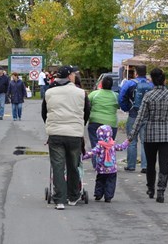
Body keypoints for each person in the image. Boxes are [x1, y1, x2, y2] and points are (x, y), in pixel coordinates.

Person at [41, 65, 91, 210]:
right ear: (69, 76)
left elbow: (44, 113)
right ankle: (73, 196)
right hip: (74, 134)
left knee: (57, 166)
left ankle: (59, 200)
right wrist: (80, 125)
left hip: (55, 134)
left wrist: (51, 125)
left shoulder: (49, 93)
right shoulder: (81, 93)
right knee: (73, 165)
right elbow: (86, 112)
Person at [128, 68, 168, 203]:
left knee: (150, 163)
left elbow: (140, 117)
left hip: (150, 133)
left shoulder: (148, 96)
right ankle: (161, 190)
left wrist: (132, 134)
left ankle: (150, 188)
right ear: (164, 80)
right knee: (163, 163)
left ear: (152, 81)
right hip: (167, 133)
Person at [118, 65, 153, 173]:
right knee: (144, 141)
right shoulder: (150, 85)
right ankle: (145, 166)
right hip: (147, 115)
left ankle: (131, 165)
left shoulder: (130, 83)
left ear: (136, 73)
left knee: (132, 140)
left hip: (133, 114)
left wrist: (127, 108)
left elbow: (121, 97)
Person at [82, 125, 129, 202]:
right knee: (110, 182)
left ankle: (98, 194)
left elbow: (91, 153)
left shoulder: (99, 146)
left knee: (100, 181)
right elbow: (121, 147)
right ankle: (108, 196)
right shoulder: (112, 145)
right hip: (112, 169)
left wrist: (82, 157)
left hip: (101, 168)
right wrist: (127, 142)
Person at [87, 75, 119, 168]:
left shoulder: (94, 94)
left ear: (101, 84)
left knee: (95, 143)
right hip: (111, 123)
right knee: (108, 144)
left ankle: (96, 163)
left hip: (95, 121)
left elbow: (87, 104)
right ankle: (107, 162)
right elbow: (120, 105)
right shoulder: (115, 96)